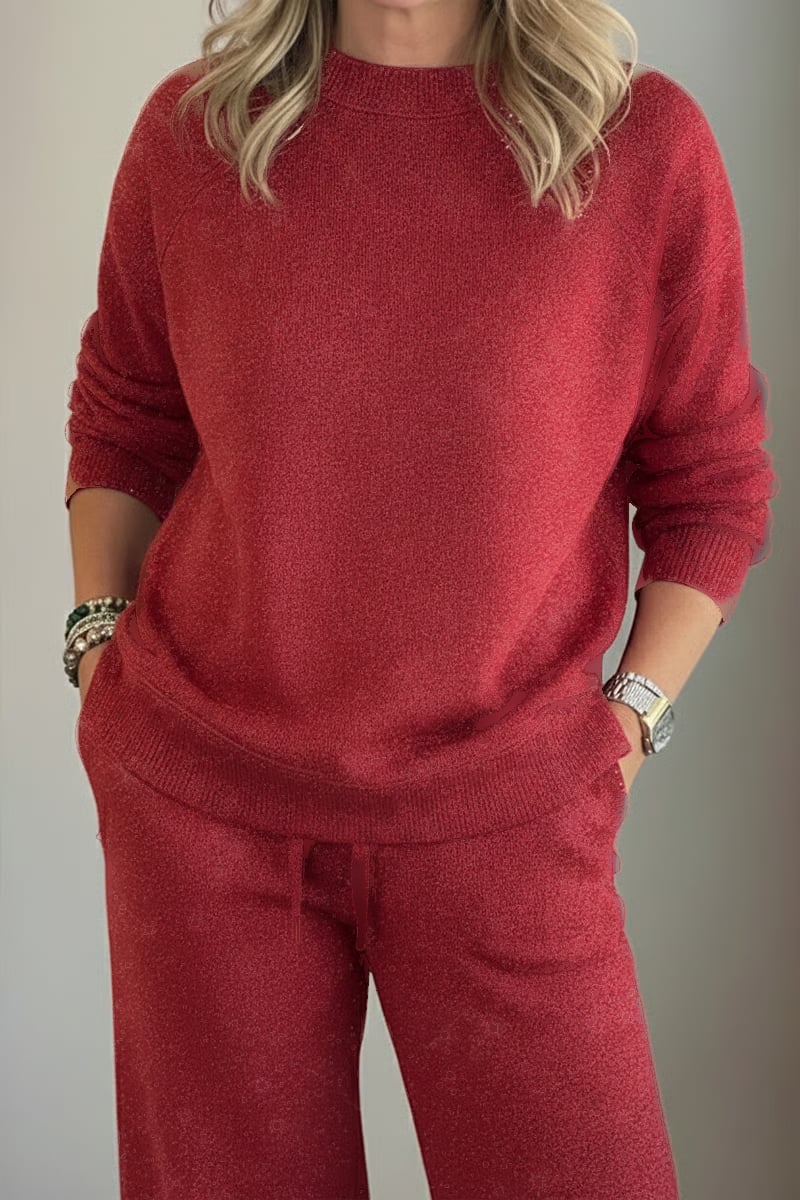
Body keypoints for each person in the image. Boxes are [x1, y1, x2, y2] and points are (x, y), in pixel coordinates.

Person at [63, 0, 777, 1196]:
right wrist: (98, 648)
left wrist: (632, 717)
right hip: (204, 811)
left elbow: (709, 479)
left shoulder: (640, 146)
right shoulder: (193, 137)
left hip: (507, 806)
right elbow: (127, 418)